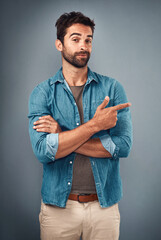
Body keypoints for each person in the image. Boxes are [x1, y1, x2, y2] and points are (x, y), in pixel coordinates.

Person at [28, 11, 132, 240]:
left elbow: (122, 146)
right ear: (59, 44)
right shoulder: (42, 93)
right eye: (75, 39)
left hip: (104, 208)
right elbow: (44, 151)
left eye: (88, 40)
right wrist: (95, 126)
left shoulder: (113, 89)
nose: (83, 45)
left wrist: (61, 136)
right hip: (58, 210)